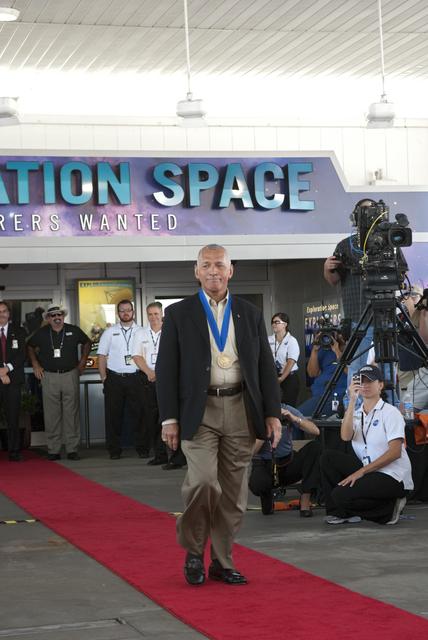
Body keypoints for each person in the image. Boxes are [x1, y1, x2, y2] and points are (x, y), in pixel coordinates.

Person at [156, 244, 281, 586]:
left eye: (219, 265)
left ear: (230, 271)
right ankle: (194, 550)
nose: (213, 271)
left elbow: (264, 367)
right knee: (202, 482)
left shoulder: (249, 313)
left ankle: (222, 561)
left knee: (233, 494)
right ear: (196, 271)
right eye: (207, 265)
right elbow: (166, 369)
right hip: (199, 411)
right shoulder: (179, 314)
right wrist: (169, 418)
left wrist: (272, 413)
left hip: (241, 409)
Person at [323, 198, 408, 389]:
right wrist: (327, 268)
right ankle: (354, 404)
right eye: (366, 212)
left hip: (385, 314)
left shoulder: (390, 241)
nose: (370, 216)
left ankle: (390, 403)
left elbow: (403, 273)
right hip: (358, 315)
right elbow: (333, 279)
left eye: (374, 211)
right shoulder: (345, 245)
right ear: (356, 217)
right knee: (357, 366)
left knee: (388, 365)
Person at [320, 364, 414, 525]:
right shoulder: (357, 414)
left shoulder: (390, 412)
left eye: (370, 381)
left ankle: (387, 511)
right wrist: (352, 400)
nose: (365, 385)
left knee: (339, 495)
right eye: (361, 382)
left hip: (393, 475)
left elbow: (395, 452)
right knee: (328, 457)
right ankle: (340, 513)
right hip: (370, 469)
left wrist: (361, 472)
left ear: (380, 385)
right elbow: (345, 436)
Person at [27, 304, 91, 461]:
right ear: (48, 318)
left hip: (70, 375)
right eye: (53, 315)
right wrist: (35, 364)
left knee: (72, 413)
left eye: (59, 314)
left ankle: (72, 449)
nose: (57, 317)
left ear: (63, 316)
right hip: (49, 376)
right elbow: (29, 346)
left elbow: (87, 342)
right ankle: (53, 450)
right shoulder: (42, 333)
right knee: (51, 414)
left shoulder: (73, 330)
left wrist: (83, 362)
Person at [249, 404, 321, 517]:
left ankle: (305, 499)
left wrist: (294, 418)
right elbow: (250, 453)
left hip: (287, 462)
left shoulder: (286, 409)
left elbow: (315, 431)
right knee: (258, 484)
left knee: (315, 447)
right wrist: (263, 431)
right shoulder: (254, 413)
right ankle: (267, 498)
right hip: (265, 464)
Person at [97, 299, 144, 460]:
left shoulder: (141, 331)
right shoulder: (109, 332)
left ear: (133, 312)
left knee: (139, 414)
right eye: (122, 311)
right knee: (113, 416)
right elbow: (101, 356)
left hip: (136, 378)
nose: (125, 313)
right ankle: (114, 450)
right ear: (118, 314)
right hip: (114, 378)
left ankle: (142, 448)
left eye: (128, 310)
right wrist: (104, 378)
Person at [132, 302, 168, 466]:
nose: (153, 317)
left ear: (162, 314)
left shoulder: (169, 330)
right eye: (150, 314)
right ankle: (160, 455)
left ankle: (176, 455)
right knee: (152, 418)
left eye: (156, 314)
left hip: (167, 378)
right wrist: (149, 372)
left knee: (168, 416)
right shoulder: (140, 333)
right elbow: (136, 356)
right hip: (147, 379)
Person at [298, 329, 347, 418]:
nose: (329, 338)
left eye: (332, 335)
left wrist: (337, 351)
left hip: (337, 395)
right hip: (320, 394)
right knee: (297, 416)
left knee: (299, 417)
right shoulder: (322, 350)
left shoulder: (348, 350)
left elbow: (350, 372)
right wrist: (315, 350)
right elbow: (312, 373)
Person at [0, 301, 27, 461]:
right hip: (2, 375)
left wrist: (7, 369)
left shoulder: (19, 331)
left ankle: (14, 451)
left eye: (4, 311)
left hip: (13, 380)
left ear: (9, 314)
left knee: (13, 416)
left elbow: (22, 354)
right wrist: (0, 371)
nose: (1, 314)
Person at [397, 285, 428, 411]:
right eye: (407, 295)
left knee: (407, 407)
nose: (410, 298)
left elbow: (423, 337)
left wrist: (418, 310)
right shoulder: (401, 318)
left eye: (414, 295)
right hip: (407, 377)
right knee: (406, 407)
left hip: (420, 373)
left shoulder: (422, 313)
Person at [268, 312, 300, 405]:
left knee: (288, 407)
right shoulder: (268, 339)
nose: (274, 324)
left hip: (289, 377)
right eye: (272, 322)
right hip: (273, 377)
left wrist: (281, 378)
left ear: (285, 324)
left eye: (277, 322)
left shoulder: (292, 340)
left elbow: (291, 361)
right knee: (273, 405)